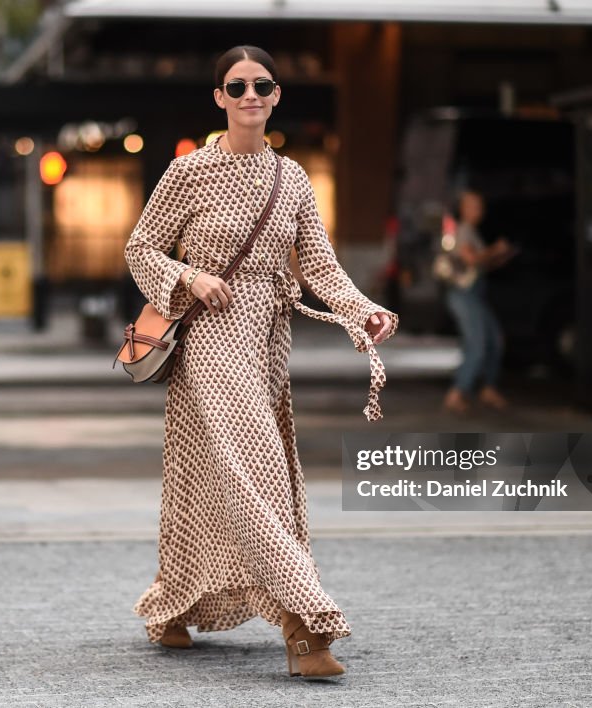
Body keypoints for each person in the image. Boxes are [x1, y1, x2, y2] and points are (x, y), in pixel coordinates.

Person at [123, 45, 397, 679]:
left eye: (262, 85)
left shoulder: (293, 178)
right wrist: (189, 277)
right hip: (209, 343)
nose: (251, 94)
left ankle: (170, 605)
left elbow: (322, 267)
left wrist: (364, 310)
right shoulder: (188, 171)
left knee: (206, 479)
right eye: (237, 85)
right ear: (219, 97)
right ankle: (308, 626)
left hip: (266, 343)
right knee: (262, 477)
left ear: (276, 97)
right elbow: (140, 250)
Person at [441, 190, 517, 414]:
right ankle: (457, 392)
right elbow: (471, 259)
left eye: (480, 206)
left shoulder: (472, 232)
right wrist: (495, 249)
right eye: (474, 206)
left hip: (475, 295)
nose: (479, 211)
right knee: (477, 342)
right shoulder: (464, 231)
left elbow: (480, 265)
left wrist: (498, 257)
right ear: (464, 209)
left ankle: (488, 388)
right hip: (463, 295)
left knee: (495, 339)